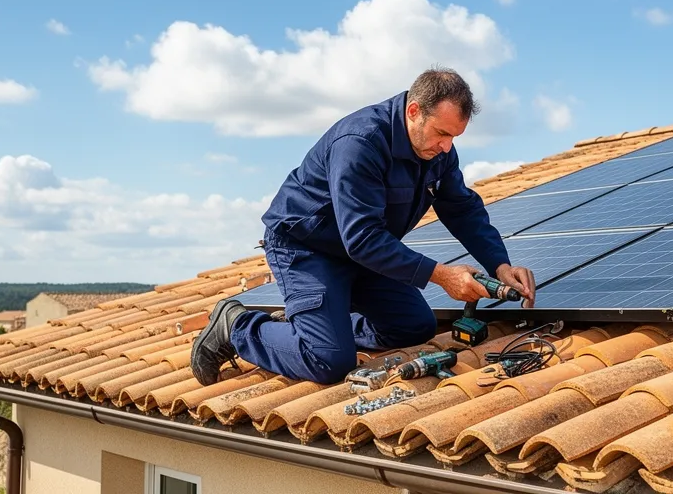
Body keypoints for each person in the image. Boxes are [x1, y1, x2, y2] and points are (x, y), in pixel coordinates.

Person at [190, 67, 537, 386]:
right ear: (414, 111)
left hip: (361, 255)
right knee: (327, 360)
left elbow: (462, 208)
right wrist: (443, 276)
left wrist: (500, 264)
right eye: (442, 133)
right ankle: (236, 325)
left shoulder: (439, 152)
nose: (447, 146)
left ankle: (318, 328)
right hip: (308, 249)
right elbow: (363, 238)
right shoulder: (360, 143)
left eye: (454, 137)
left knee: (415, 326)